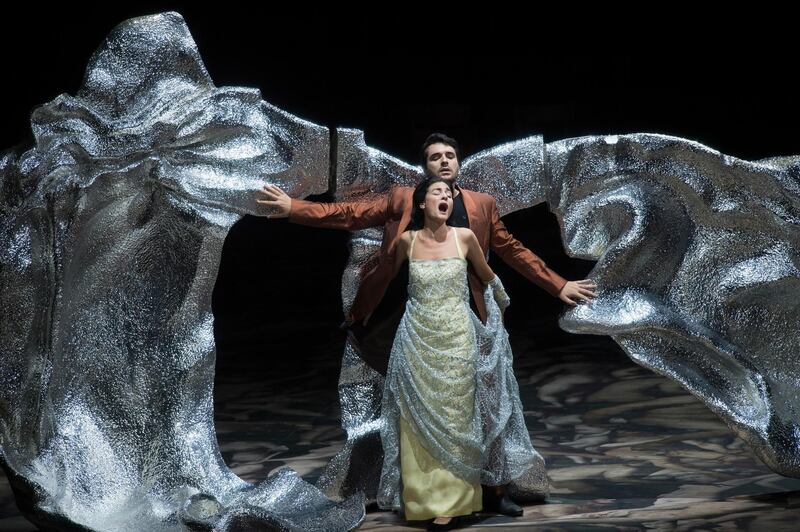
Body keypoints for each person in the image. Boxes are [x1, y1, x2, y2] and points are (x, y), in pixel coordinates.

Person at [256, 133, 597, 515]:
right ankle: (420, 489)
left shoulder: (482, 206)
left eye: (451, 155)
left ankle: (495, 490)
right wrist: (293, 208)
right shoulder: (403, 199)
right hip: (408, 315)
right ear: (426, 168)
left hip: (469, 318)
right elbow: (349, 214)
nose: (445, 161)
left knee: (486, 403)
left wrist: (559, 284)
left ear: (459, 163)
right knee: (416, 403)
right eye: (436, 157)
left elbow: (512, 250)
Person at [376, 175, 543, 529]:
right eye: (437, 193)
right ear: (422, 203)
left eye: (449, 194)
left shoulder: (464, 238)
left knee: (456, 417)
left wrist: (498, 320)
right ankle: (423, 500)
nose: (446, 197)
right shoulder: (407, 242)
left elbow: (488, 277)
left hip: (457, 341)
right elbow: (383, 279)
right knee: (417, 417)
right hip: (419, 341)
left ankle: (454, 501)